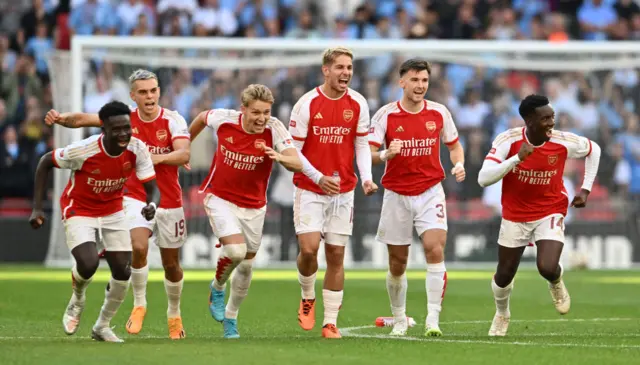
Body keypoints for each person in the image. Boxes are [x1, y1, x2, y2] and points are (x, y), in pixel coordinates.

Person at [44, 69, 190, 339]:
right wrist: (61, 118)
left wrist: (149, 157)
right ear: (133, 95)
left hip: (169, 198)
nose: (149, 96)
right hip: (134, 195)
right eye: (143, 92)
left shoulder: (173, 119)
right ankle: (139, 305)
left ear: (159, 91)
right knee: (137, 245)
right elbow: (84, 119)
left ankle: (174, 314)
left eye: (153, 90)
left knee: (172, 265)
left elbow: (184, 153)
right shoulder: (123, 120)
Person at [30, 101, 158, 343]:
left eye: (127, 128)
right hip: (80, 209)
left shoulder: (137, 148)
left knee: (123, 271)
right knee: (88, 264)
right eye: (116, 129)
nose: (123, 134)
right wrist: (37, 207)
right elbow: (46, 161)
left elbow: (152, 187)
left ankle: (102, 326)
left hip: (113, 211)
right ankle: (77, 299)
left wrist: (151, 205)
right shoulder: (84, 150)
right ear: (104, 129)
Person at [477, 94, 601, 336]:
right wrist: (516, 159)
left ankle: (556, 281)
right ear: (529, 121)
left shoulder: (562, 140)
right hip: (515, 214)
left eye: (552, 117)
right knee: (503, 275)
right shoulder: (508, 140)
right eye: (546, 118)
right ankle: (502, 314)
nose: (551, 123)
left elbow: (593, 149)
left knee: (547, 266)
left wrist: (585, 188)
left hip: (550, 209)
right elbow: (483, 178)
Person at [189, 84, 302, 338]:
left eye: (266, 112)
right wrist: (186, 147)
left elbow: (297, 163)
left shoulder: (275, 129)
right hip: (219, 197)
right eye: (256, 113)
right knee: (235, 251)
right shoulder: (225, 120)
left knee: (247, 267)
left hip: (254, 207)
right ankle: (217, 287)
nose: (262, 118)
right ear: (243, 110)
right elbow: (200, 118)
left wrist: (279, 156)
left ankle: (231, 317)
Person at [369, 58, 465, 337]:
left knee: (435, 248)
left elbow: (455, 145)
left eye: (424, 80)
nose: (420, 86)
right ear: (402, 82)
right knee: (397, 262)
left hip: (430, 191)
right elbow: (368, 154)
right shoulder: (386, 115)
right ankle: (399, 320)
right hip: (396, 194)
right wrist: (387, 154)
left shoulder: (439, 113)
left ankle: (432, 320)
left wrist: (458, 164)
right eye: (415, 80)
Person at [289, 46, 377, 339]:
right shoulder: (306, 105)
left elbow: (362, 144)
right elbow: (293, 154)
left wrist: (366, 178)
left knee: (336, 255)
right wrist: (318, 176)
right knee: (309, 249)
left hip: (343, 191)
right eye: (339, 67)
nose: (346, 73)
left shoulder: (359, 103)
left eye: (349, 67)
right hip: (310, 188)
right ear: (325, 70)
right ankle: (306, 295)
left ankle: (329, 323)